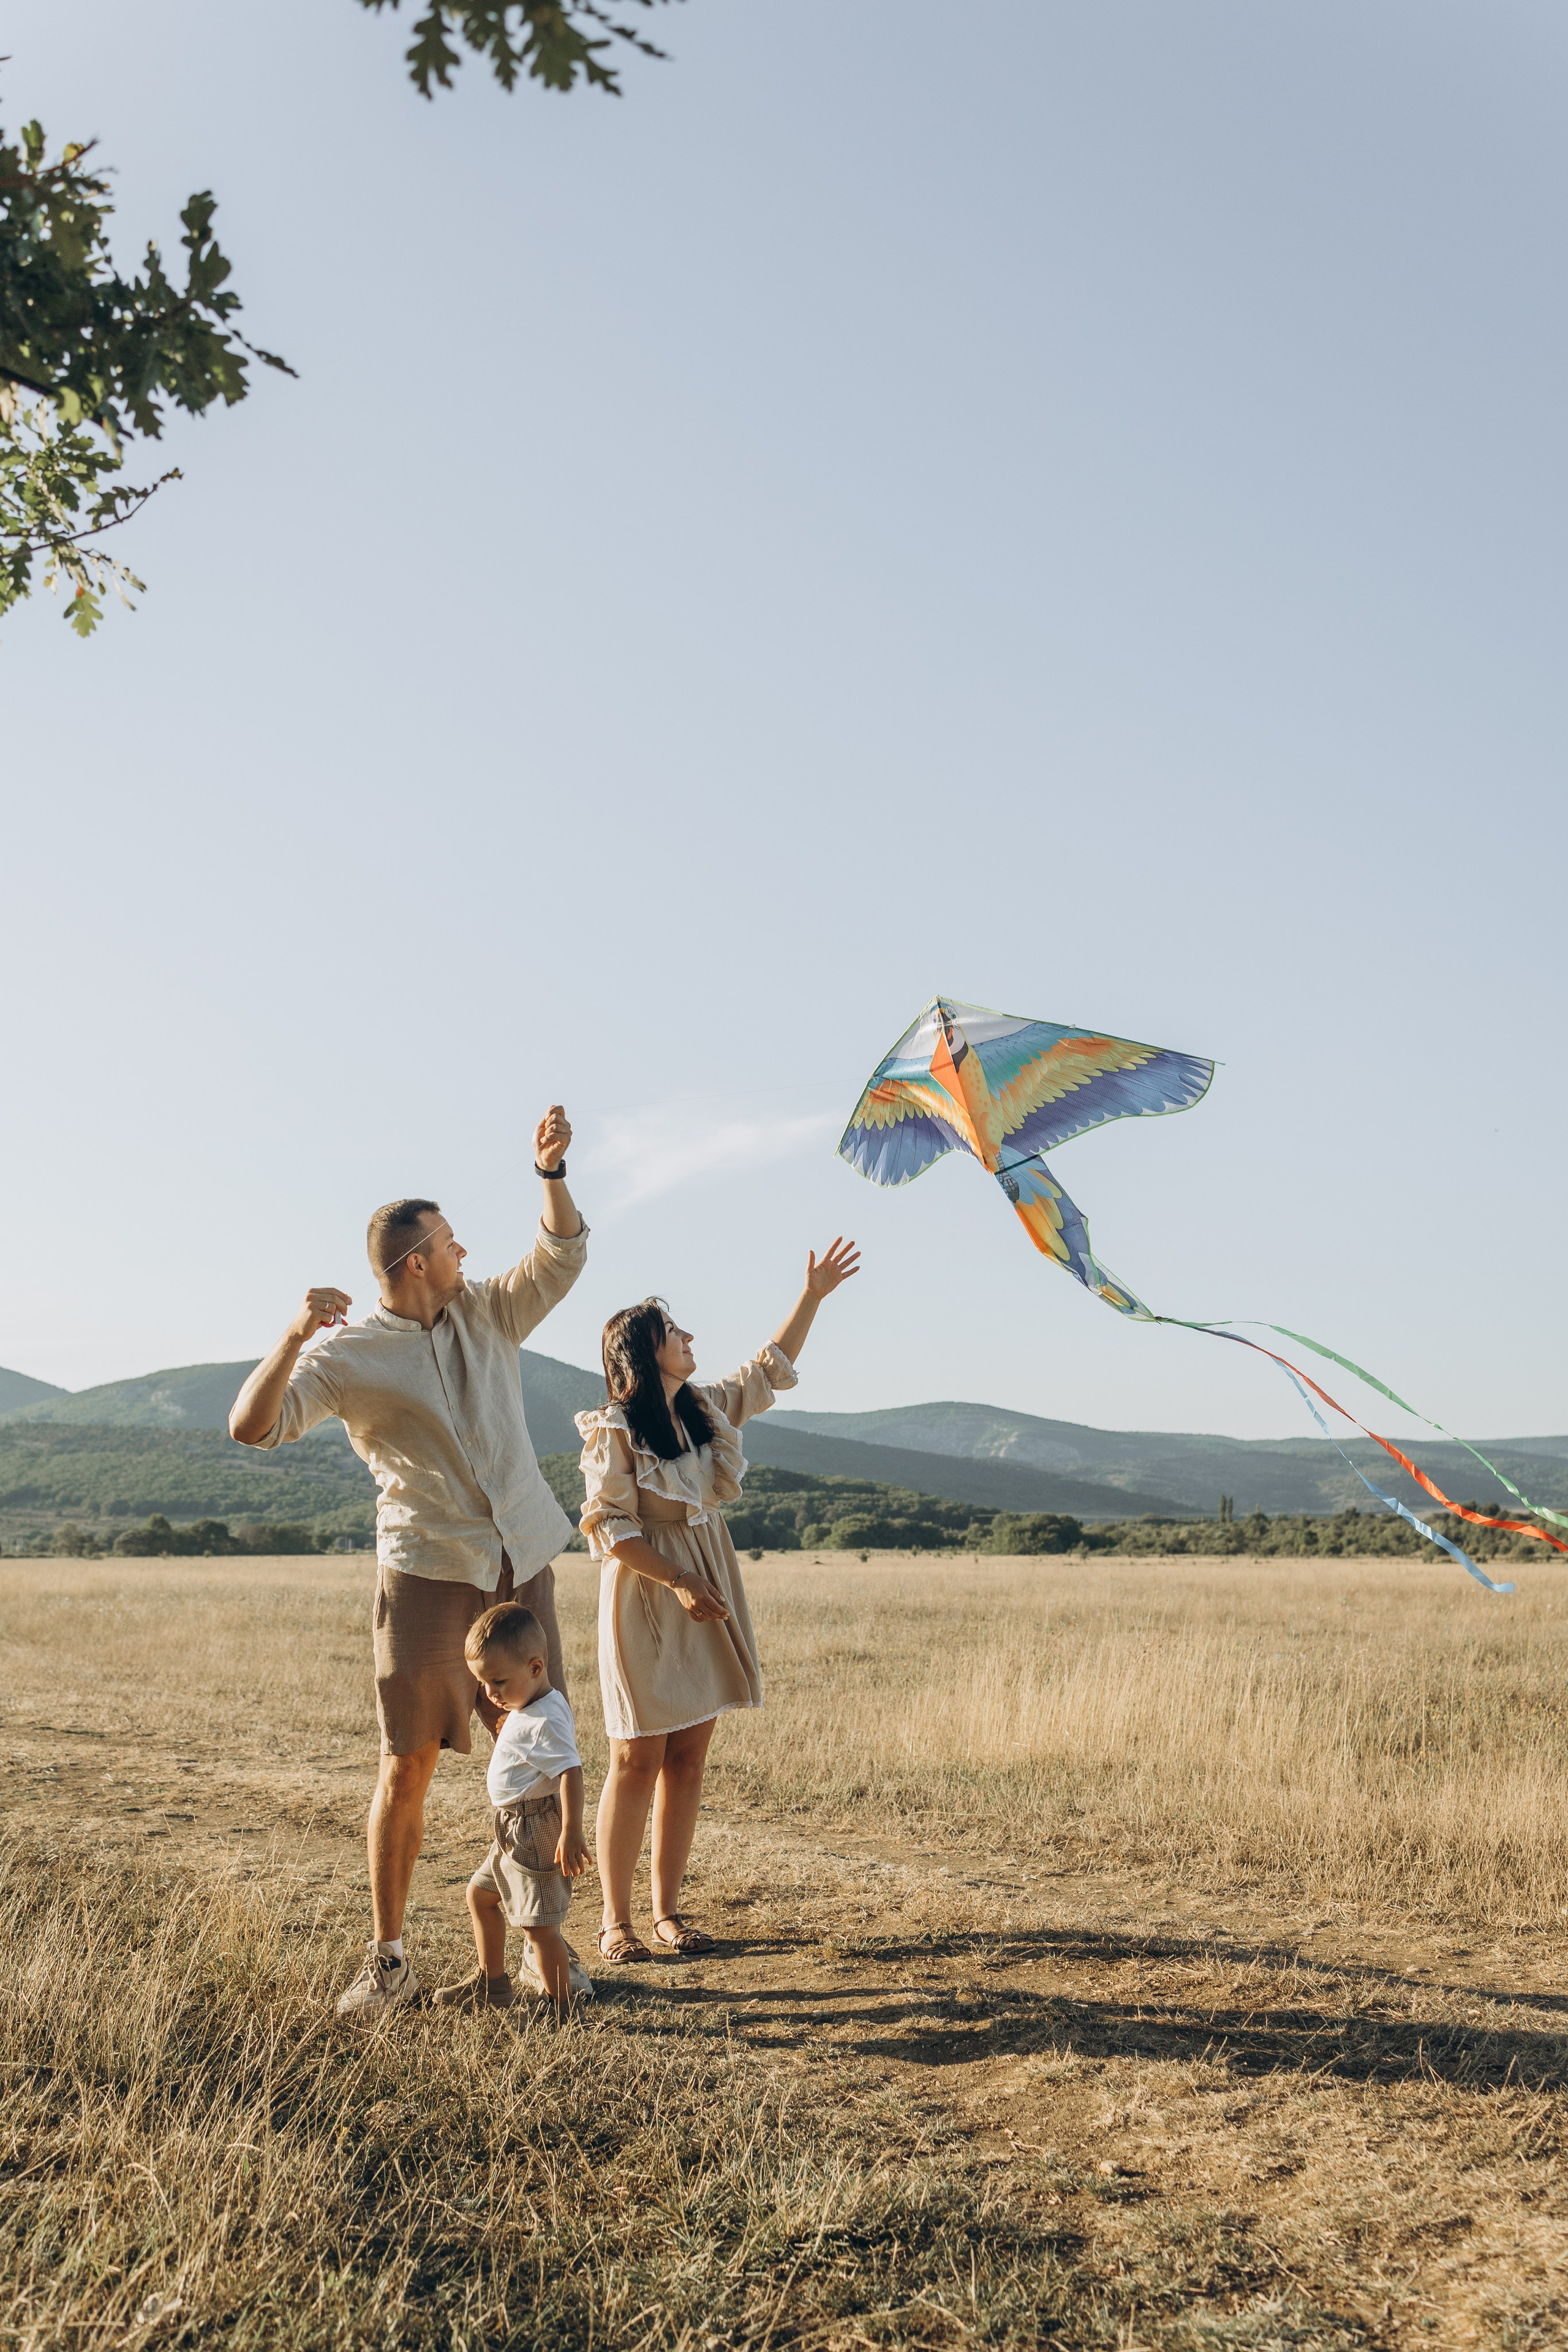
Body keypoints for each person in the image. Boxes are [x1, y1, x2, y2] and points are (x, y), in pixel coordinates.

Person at [228, 1108, 587, 2018]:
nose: (467, 1249)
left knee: (535, 1760)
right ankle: (389, 1963)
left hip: (523, 1559)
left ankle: (544, 1950)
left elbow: (564, 1256)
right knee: (409, 1765)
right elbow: (254, 1427)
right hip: (429, 1570)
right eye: (451, 1242)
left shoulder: (487, 1311)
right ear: (416, 1260)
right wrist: (292, 1338)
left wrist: (548, 1172)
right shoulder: (347, 1356)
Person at [577, 1238, 860, 1964]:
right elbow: (609, 1528)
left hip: (709, 1578)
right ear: (645, 1354)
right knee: (635, 1754)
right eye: (676, 1334)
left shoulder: (704, 1409)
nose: (690, 1339)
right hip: (647, 1592)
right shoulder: (612, 1429)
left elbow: (767, 1373)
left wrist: (814, 1296)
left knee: (691, 1756)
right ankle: (616, 1921)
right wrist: (676, 1580)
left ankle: (668, 1912)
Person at [433, 1601, 592, 2015]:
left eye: (498, 1682)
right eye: (483, 1683)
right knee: (480, 1897)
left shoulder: (544, 1721)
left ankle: (560, 2007)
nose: (490, 1694)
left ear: (536, 1668)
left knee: (539, 1927)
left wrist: (572, 1830)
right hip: (509, 1830)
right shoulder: (532, 1708)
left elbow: (570, 1772)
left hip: (534, 1830)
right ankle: (493, 1983)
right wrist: (513, 1718)